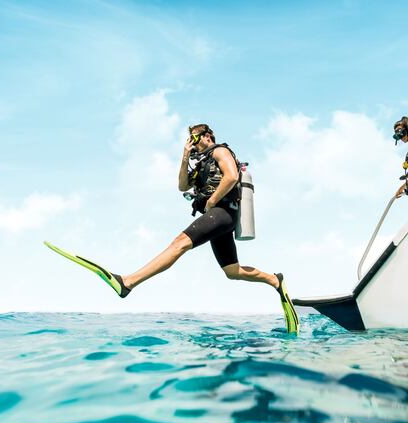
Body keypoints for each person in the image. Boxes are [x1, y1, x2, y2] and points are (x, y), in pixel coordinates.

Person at [44, 124, 299, 333]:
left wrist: (210, 201)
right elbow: (181, 186)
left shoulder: (221, 151)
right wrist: (185, 156)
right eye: (190, 138)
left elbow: (231, 176)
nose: (193, 141)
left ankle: (128, 282)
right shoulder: (200, 162)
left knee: (179, 243)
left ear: (207, 135)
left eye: (195, 137)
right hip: (219, 218)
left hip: (222, 213)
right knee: (232, 271)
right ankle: (276, 281)